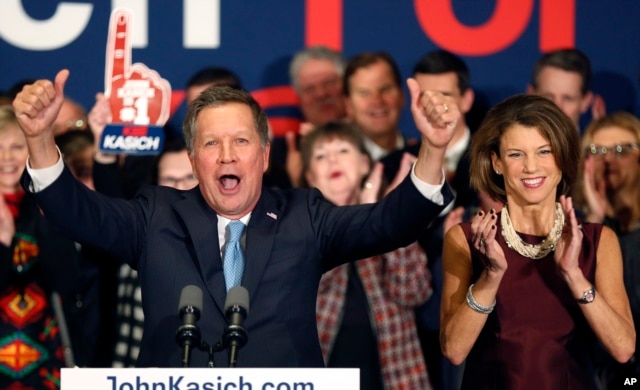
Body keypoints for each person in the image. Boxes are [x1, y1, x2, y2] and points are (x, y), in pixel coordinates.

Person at [12, 69, 458, 368]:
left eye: (241, 141)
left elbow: (389, 223)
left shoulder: (305, 215)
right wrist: (37, 138)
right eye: (211, 144)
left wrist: (433, 149)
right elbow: (77, 213)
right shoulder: (157, 214)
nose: (227, 155)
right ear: (192, 156)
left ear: (264, 156)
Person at [440, 94, 635, 389]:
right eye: (516, 154)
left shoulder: (597, 240)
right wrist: (491, 277)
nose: (531, 167)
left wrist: (574, 276)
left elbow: (623, 349)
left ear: (562, 158)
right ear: (497, 162)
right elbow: (454, 350)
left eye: (544, 152)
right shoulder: (467, 240)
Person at [300, 121, 432, 389]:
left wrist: (386, 220)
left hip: (397, 379)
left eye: (343, 151)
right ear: (311, 177)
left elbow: (414, 291)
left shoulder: (392, 222)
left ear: (364, 163)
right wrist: (358, 218)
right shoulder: (298, 229)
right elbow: (309, 290)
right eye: (321, 156)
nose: (332, 160)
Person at [408, 49, 478, 390]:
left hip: (476, 323)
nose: (434, 106)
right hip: (411, 328)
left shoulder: (495, 161)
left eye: (444, 96)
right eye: (425, 98)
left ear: (466, 99)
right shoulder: (398, 164)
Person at [574, 111, 640, 235]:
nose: (608, 159)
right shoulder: (571, 218)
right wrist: (595, 217)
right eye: (597, 150)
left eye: (621, 149)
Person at [343, 51, 410, 163]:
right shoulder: (339, 165)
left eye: (385, 90)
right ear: (348, 105)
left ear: (402, 96)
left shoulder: (424, 158)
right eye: (365, 93)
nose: (377, 101)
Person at [527, 48, 603, 130]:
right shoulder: (513, 142)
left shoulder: (594, 142)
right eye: (548, 97)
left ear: (586, 101)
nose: (557, 108)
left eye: (568, 99)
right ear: (531, 95)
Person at [289, 45, 346, 128]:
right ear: (300, 99)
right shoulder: (293, 140)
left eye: (329, 83)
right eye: (310, 89)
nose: (321, 94)